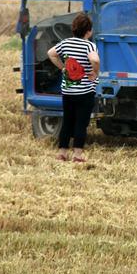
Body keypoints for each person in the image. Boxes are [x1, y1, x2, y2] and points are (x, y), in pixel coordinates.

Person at [47, 12, 100, 162]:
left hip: (68, 91)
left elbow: (51, 54)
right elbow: (94, 60)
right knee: (81, 123)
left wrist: (63, 68)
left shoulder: (65, 43)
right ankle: (77, 155)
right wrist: (95, 72)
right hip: (85, 92)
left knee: (67, 121)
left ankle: (62, 153)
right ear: (88, 31)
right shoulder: (89, 45)